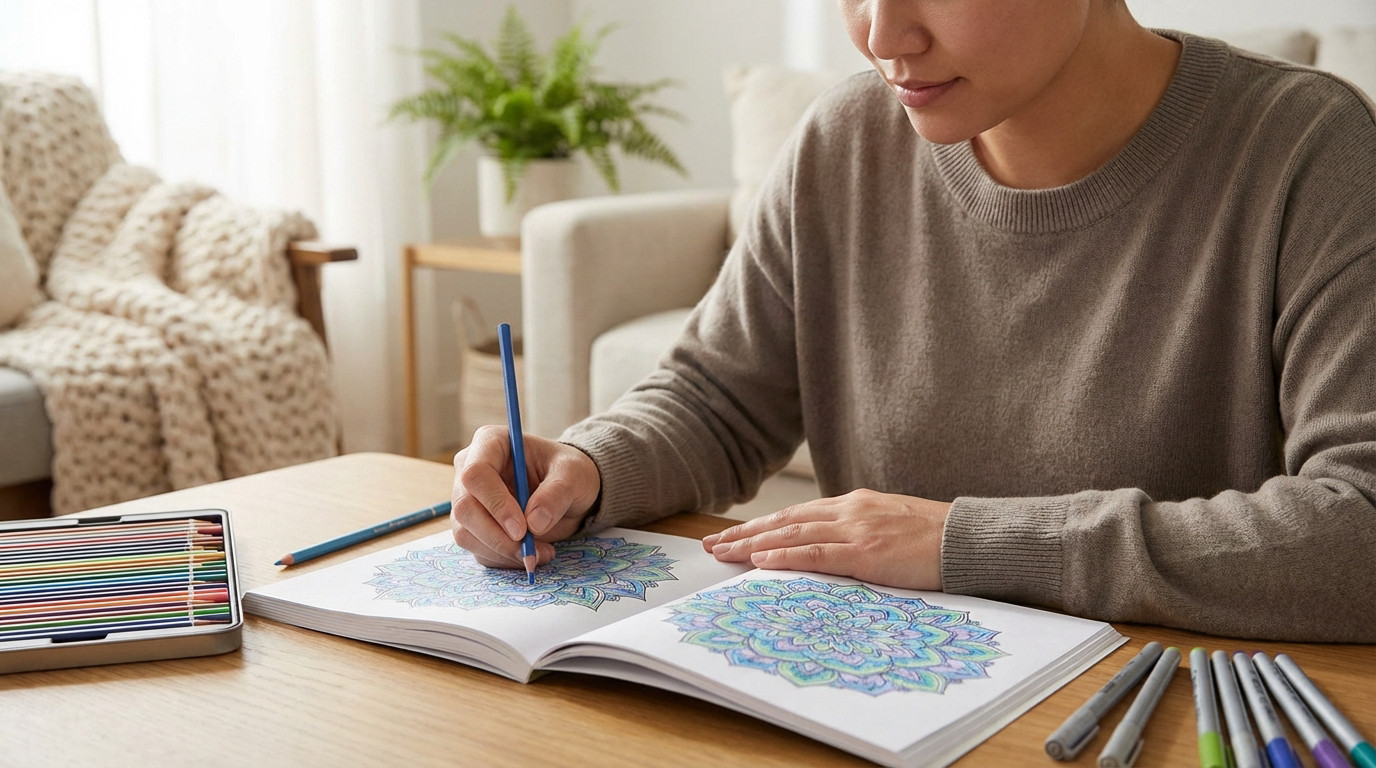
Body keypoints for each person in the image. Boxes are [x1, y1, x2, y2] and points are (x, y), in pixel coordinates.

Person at [450, 0, 1376, 642]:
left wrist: (961, 544)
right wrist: (588, 466)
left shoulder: (1308, 152)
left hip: (1164, 706)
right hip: (887, 708)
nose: (883, 35)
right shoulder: (843, 142)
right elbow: (717, 396)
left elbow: (1361, 527)